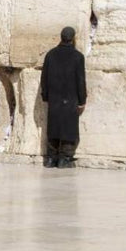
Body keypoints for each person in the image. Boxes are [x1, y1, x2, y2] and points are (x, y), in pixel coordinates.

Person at [40, 26, 87, 169]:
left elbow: (44, 78)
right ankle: (64, 159)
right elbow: (80, 80)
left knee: (53, 127)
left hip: (54, 99)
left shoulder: (50, 55)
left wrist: (45, 96)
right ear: (73, 38)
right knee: (68, 128)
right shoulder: (78, 57)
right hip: (70, 99)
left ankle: (50, 159)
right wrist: (82, 100)